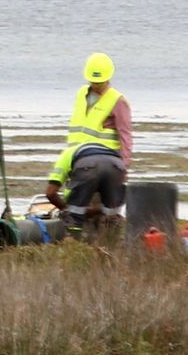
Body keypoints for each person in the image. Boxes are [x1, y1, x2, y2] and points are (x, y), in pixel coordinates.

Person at [56, 52, 133, 237]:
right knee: (77, 210)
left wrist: (124, 167)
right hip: (78, 163)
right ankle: (79, 245)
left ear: (109, 77)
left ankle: (104, 245)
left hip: (104, 168)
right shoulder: (81, 94)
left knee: (102, 214)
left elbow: (125, 136)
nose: (97, 85)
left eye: (100, 82)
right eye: (93, 81)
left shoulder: (118, 101)